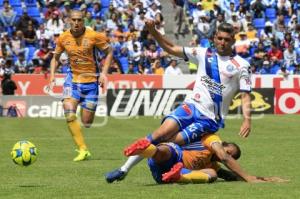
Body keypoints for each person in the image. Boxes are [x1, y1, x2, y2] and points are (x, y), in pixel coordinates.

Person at [105, 22, 253, 182]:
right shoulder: (203, 53)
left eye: (227, 39)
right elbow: (172, 48)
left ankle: (175, 169)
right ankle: (123, 169)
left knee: (168, 142)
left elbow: (245, 95)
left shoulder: (242, 65)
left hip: (208, 119)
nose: (222, 42)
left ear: (233, 40)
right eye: (220, 38)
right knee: (159, 134)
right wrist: (154, 32)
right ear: (215, 38)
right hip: (190, 106)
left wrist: (247, 120)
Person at [48, 10, 113, 161]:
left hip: (91, 83)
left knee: (87, 122)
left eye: (79, 20)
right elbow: (55, 58)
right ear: (69, 21)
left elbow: (109, 52)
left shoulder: (94, 36)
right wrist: (52, 75)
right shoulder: (63, 37)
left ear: (83, 21)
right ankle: (83, 149)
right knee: (68, 111)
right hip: (73, 81)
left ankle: (83, 145)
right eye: (74, 20)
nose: (77, 23)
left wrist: (103, 73)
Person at [123, 134, 286, 184]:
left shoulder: (214, 164)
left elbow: (231, 176)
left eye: (230, 157)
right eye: (228, 152)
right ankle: (146, 148)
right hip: (171, 156)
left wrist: (263, 179)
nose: (226, 157)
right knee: (167, 150)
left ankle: (178, 177)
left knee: (212, 175)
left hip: (164, 176)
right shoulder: (210, 141)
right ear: (224, 144)